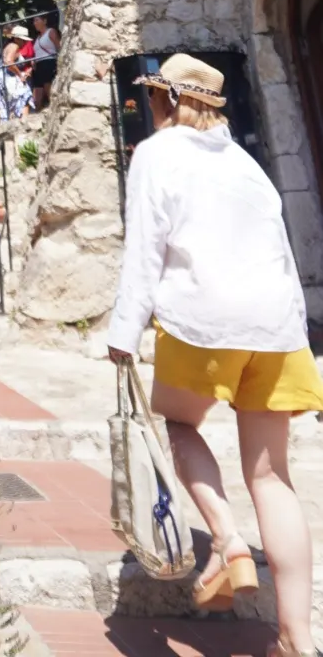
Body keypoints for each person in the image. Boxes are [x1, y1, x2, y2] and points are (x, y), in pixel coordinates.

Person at [107, 53, 323, 657]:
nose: (149, 108)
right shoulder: (247, 165)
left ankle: (227, 542)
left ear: (170, 102)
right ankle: (298, 639)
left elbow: (146, 246)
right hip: (275, 328)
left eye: (154, 98)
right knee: (273, 477)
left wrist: (124, 331)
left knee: (177, 424)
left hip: (202, 321)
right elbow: (282, 251)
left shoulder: (156, 155)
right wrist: (299, 334)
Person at [0, 25, 33, 124]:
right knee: (26, 95)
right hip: (9, 78)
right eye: (23, 40)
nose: (24, 42)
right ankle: (24, 122)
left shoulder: (8, 46)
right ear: (16, 38)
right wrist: (20, 75)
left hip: (2, 77)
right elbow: (8, 62)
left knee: (5, 104)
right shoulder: (14, 46)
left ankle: (6, 124)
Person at [30, 13, 61, 110]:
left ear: (44, 21)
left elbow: (59, 47)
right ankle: (38, 112)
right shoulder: (38, 38)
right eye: (34, 21)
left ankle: (54, 110)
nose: (34, 23)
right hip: (39, 65)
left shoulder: (51, 32)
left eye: (37, 20)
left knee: (49, 89)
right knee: (37, 95)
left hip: (49, 62)